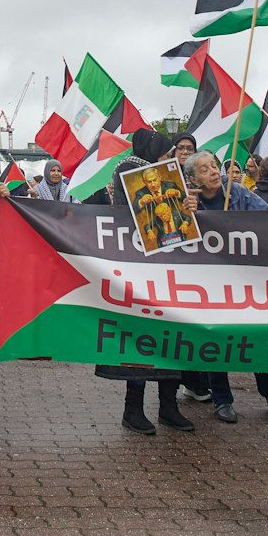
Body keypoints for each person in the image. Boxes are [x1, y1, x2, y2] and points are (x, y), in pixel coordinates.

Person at [90, 130, 191, 434]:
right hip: (140, 268)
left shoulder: (168, 177)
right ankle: (133, 409)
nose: (169, 158)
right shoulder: (128, 173)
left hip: (169, 268)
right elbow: (127, 216)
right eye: (165, 153)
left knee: (170, 337)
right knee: (142, 341)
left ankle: (168, 406)